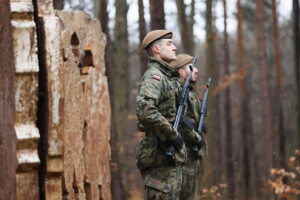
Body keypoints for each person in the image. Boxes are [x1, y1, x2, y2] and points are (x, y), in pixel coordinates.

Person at [136, 30, 187, 200]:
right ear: (157, 49)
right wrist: (172, 134)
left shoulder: (166, 77)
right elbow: (145, 109)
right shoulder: (154, 76)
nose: (175, 47)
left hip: (168, 157)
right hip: (160, 154)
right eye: (169, 44)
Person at [170, 54, 208, 200]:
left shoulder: (190, 92)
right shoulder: (179, 91)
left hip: (190, 156)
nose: (196, 70)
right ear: (181, 72)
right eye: (191, 67)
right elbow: (181, 122)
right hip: (183, 154)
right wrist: (197, 138)